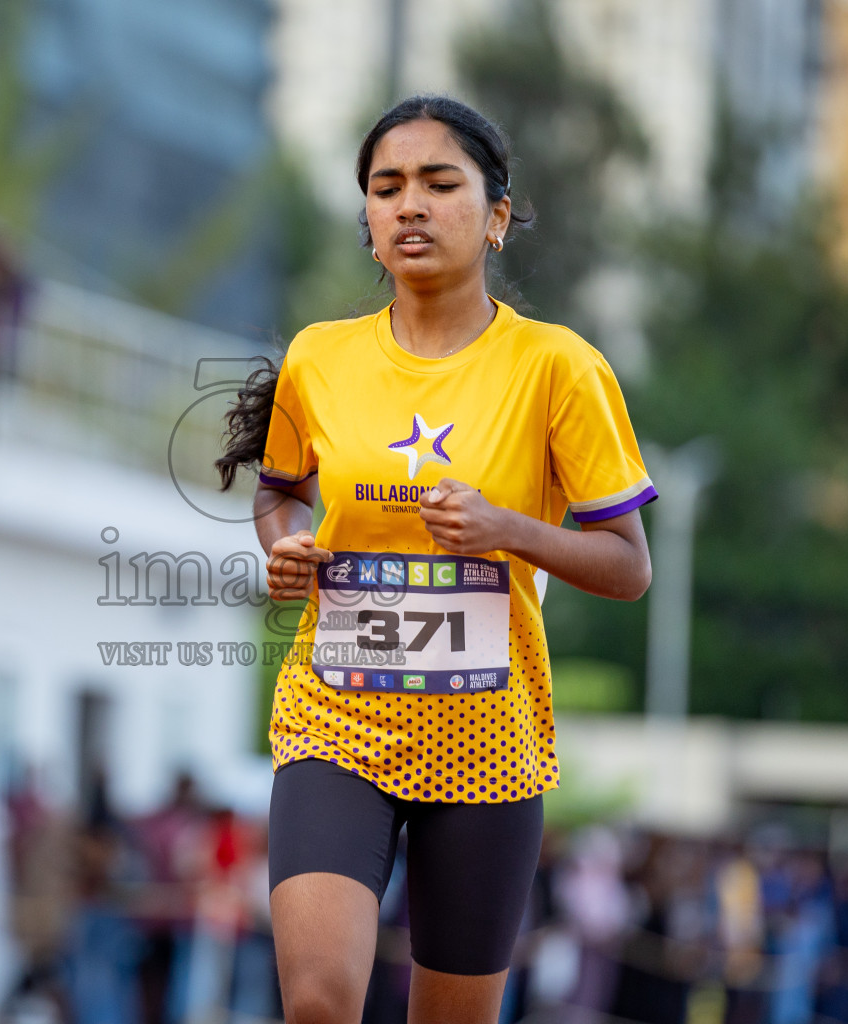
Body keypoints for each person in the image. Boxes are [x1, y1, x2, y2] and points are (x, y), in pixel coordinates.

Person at [216, 95, 656, 1024]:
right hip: (337, 719)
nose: (409, 204)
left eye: (438, 183)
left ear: (497, 215)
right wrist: (286, 543)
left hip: (488, 737)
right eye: (387, 187)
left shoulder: (556, 367)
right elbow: (281, 490)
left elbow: (628, 567)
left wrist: (511, 530)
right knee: (323, 1001)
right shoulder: (320, 358)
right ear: (370, 224)